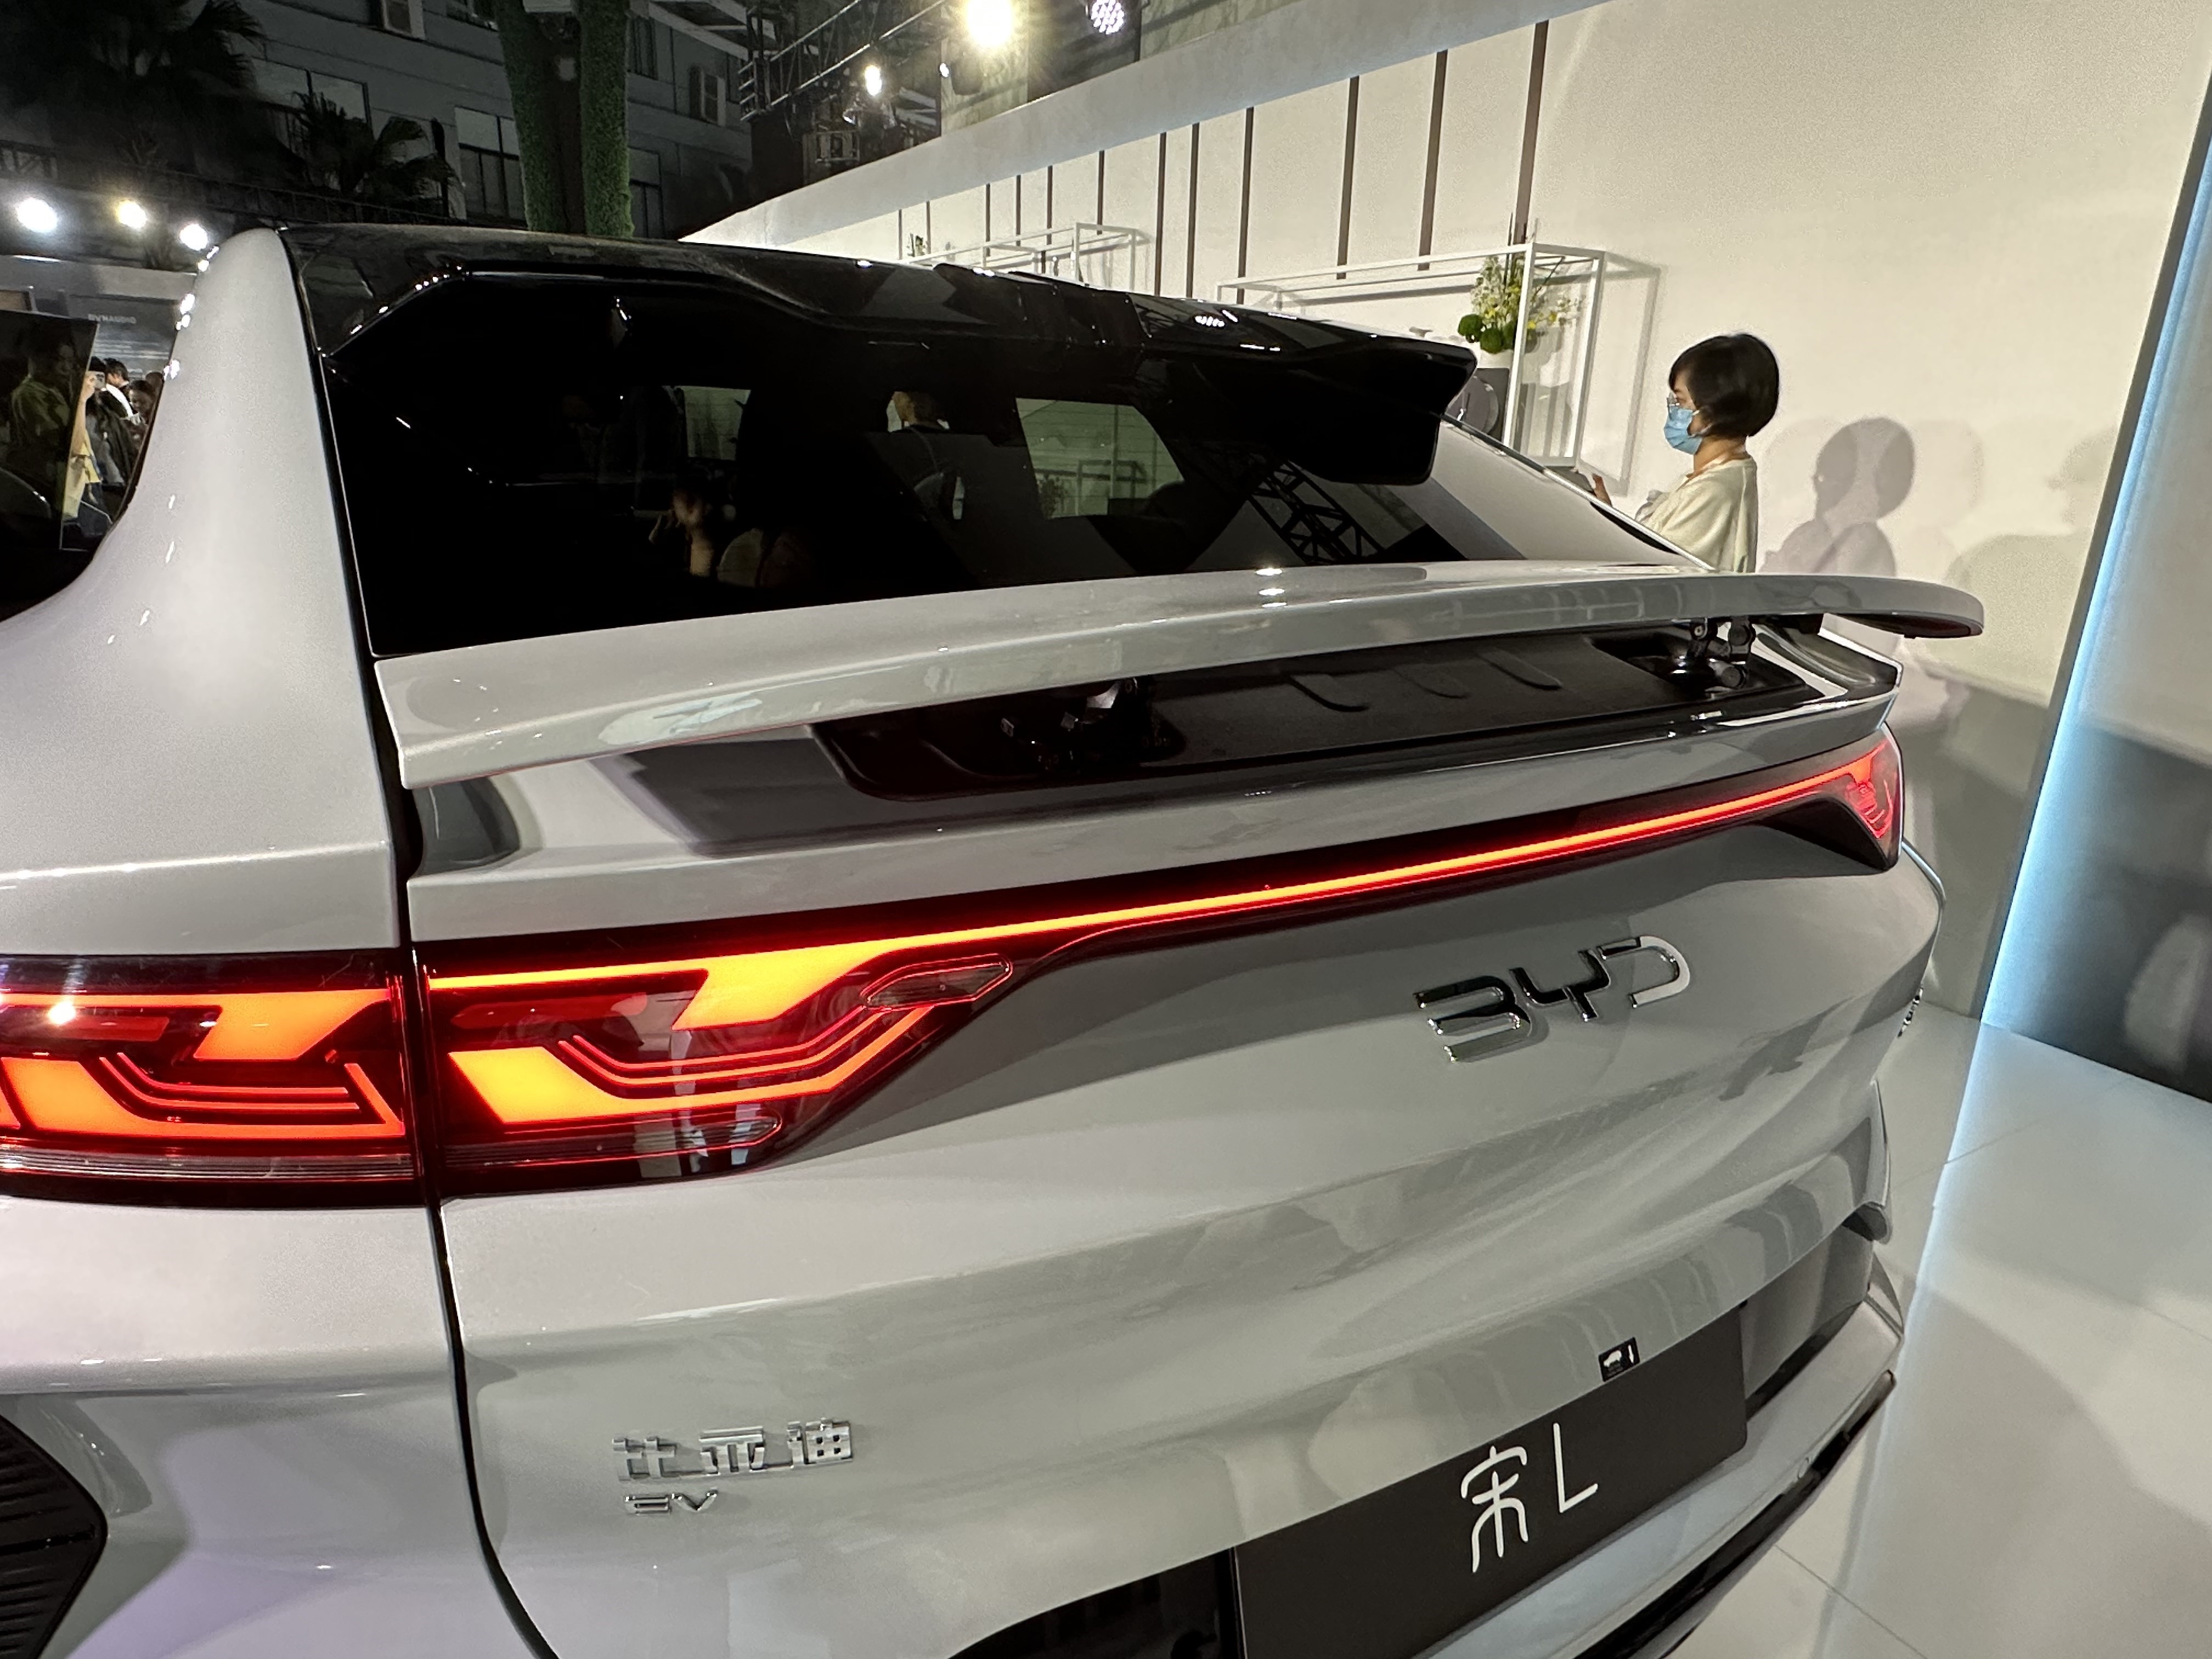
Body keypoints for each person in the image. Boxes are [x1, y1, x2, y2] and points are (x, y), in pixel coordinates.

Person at [1590, 333, 1778, 573]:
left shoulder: (1714, 490)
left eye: (1680, 401)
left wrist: (1603, 533)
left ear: (1712, 412)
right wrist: (1608, 520)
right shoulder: (1710, 478)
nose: (1674, 411)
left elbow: (1658, 571)